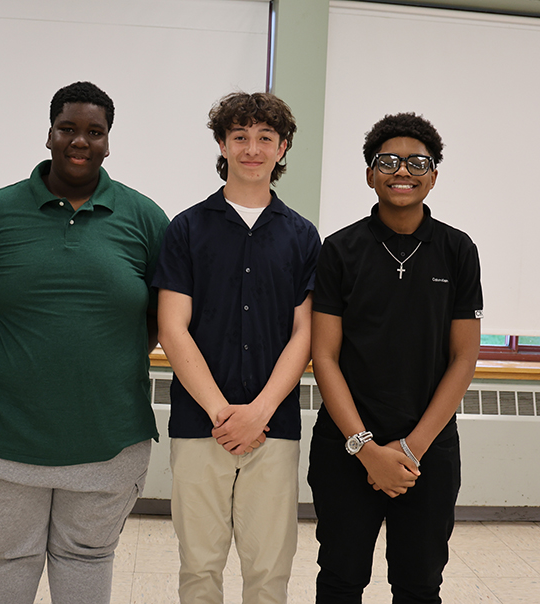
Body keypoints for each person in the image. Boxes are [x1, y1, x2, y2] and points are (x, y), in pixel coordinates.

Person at [0, 81, 169, 604]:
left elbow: (162, 316)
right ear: (49, 133)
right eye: (68, 128)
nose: (80, 141)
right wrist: (9, 359)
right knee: (4, 563)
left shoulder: (144, 219)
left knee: (86, 563)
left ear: (110, 141)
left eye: (95, 131)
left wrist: (110, 356)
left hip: (107, 442)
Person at [308, 113, 483, 603]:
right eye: (387, 161)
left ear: (433, 174)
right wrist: (364, 448)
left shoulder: (457, 250)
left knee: (420, 584)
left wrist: (408, 451)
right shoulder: (340, 250)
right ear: (369, 174)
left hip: (428, 452)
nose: (401, 170)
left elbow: (464, 359)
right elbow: (324, 355)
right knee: (340, 580)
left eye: (416, 162)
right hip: (346, 446)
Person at [153, 92, 321, 604]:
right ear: (222, 145)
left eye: (264, 138)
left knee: (269, 572)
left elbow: (305, 334)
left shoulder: (302, 236)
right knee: (199, 568)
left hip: (275, 430)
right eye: (240, 137)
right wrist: (224, 412)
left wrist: (259, 412)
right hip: (198, 424)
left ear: (282, 148)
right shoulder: (186, 228)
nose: (252, 149)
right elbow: (171, 328)